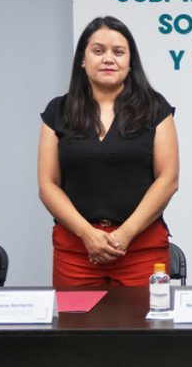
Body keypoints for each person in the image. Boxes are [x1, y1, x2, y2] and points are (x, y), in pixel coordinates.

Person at [38, 16, 178, 287]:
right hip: (77, 250)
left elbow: (168, 180)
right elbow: (48, 185)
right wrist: (87, 234)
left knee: (144, 317)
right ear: (82, 59)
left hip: (141, 249)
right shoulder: (58, 111)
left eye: (118, 52)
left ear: (130, 62)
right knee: (76, 317)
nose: (108, 59)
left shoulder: (155, 108)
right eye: (98, 50)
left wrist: (124, 235)